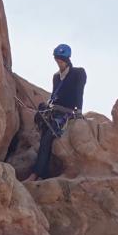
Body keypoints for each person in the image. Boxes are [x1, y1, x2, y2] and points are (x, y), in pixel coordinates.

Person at [31, 43, 87, 180]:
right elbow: (54, 95)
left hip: (66, 112)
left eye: (61, 60)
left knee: (47, 138)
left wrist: (79, 111)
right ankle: (42, 173)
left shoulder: (78, 73)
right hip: (53, 110)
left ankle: (36, 174)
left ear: (67, 60)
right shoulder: (56, 77)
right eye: (57, 60)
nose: (58, 63)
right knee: (43, 137)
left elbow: (79, 92)